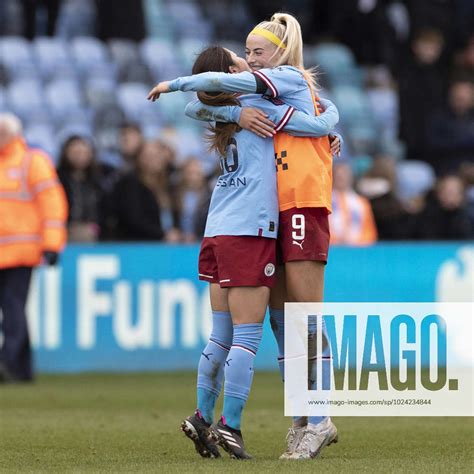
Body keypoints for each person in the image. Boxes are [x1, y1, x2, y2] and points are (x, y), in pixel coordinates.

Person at [148, 12, 339, 460]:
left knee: (302, 319)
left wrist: (330, 120)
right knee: (278, 321)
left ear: (279, 54)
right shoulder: (254, 100)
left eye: (256, 53)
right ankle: (301, 419)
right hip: (263, 219)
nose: (250, 61)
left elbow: (315, 127)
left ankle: (318, 416)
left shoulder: (282, 81)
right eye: (245, 54)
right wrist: (323, 118)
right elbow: (308, 125)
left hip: (297, 206)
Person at [0, 113, 67, 382]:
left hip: (22, 252)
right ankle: (22, 369)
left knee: (12, 306)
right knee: (13, 307)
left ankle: (6, 361)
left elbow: (52, 204)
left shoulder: (32, 161)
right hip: (8, 252)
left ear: (15, 134)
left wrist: (52, 244)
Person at [110, 141, 179, 241]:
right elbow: (134, 219)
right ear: (139, 159)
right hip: (138, 245)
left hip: (166, 245)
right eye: (148, 155)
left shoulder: (167, 184)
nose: (154, 159)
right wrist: (162, 234)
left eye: (157, 155)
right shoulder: (131, 183)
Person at [57, 135, 105, 242]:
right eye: (76, 152)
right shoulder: (56, 178)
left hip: (93, 231)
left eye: (84, 152)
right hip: (65, 230)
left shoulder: (99, 178)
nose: (80, 156)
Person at [330, 162, 378, 245]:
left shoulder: (361, 202)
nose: (341, 178)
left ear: (351, 177)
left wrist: (357, 242)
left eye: (344, 175)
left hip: (356, 249)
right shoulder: (325, 201)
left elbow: (369, 232)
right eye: (338, 176)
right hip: (332, 248)